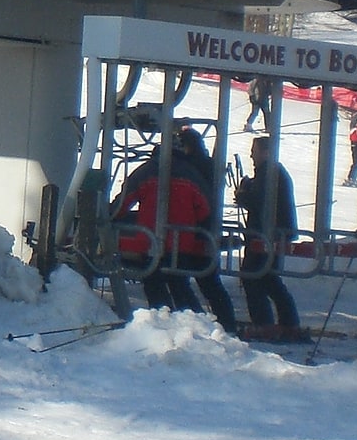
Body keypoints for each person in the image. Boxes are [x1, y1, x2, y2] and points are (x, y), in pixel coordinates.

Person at [113, 129, 237, 331]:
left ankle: (163, 324)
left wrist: (112, 215)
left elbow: (124, 202)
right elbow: (204, 208)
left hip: (152, 240)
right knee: (180, 284)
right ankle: (197, 325)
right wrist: (202, 231)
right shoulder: (191, 173)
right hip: (183, 242)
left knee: (154, 282)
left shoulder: (146, 172)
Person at [233, 135, 302, 338]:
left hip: (266, 234)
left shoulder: (270, 174)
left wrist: (243, 195)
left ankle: (264, 323)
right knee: (268, 278)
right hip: (269, 232)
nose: (251, 155)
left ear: (266, 152)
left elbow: (260, 201)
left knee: (253, 277)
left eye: (255, 151)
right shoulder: (271, 173)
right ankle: (287, 322)